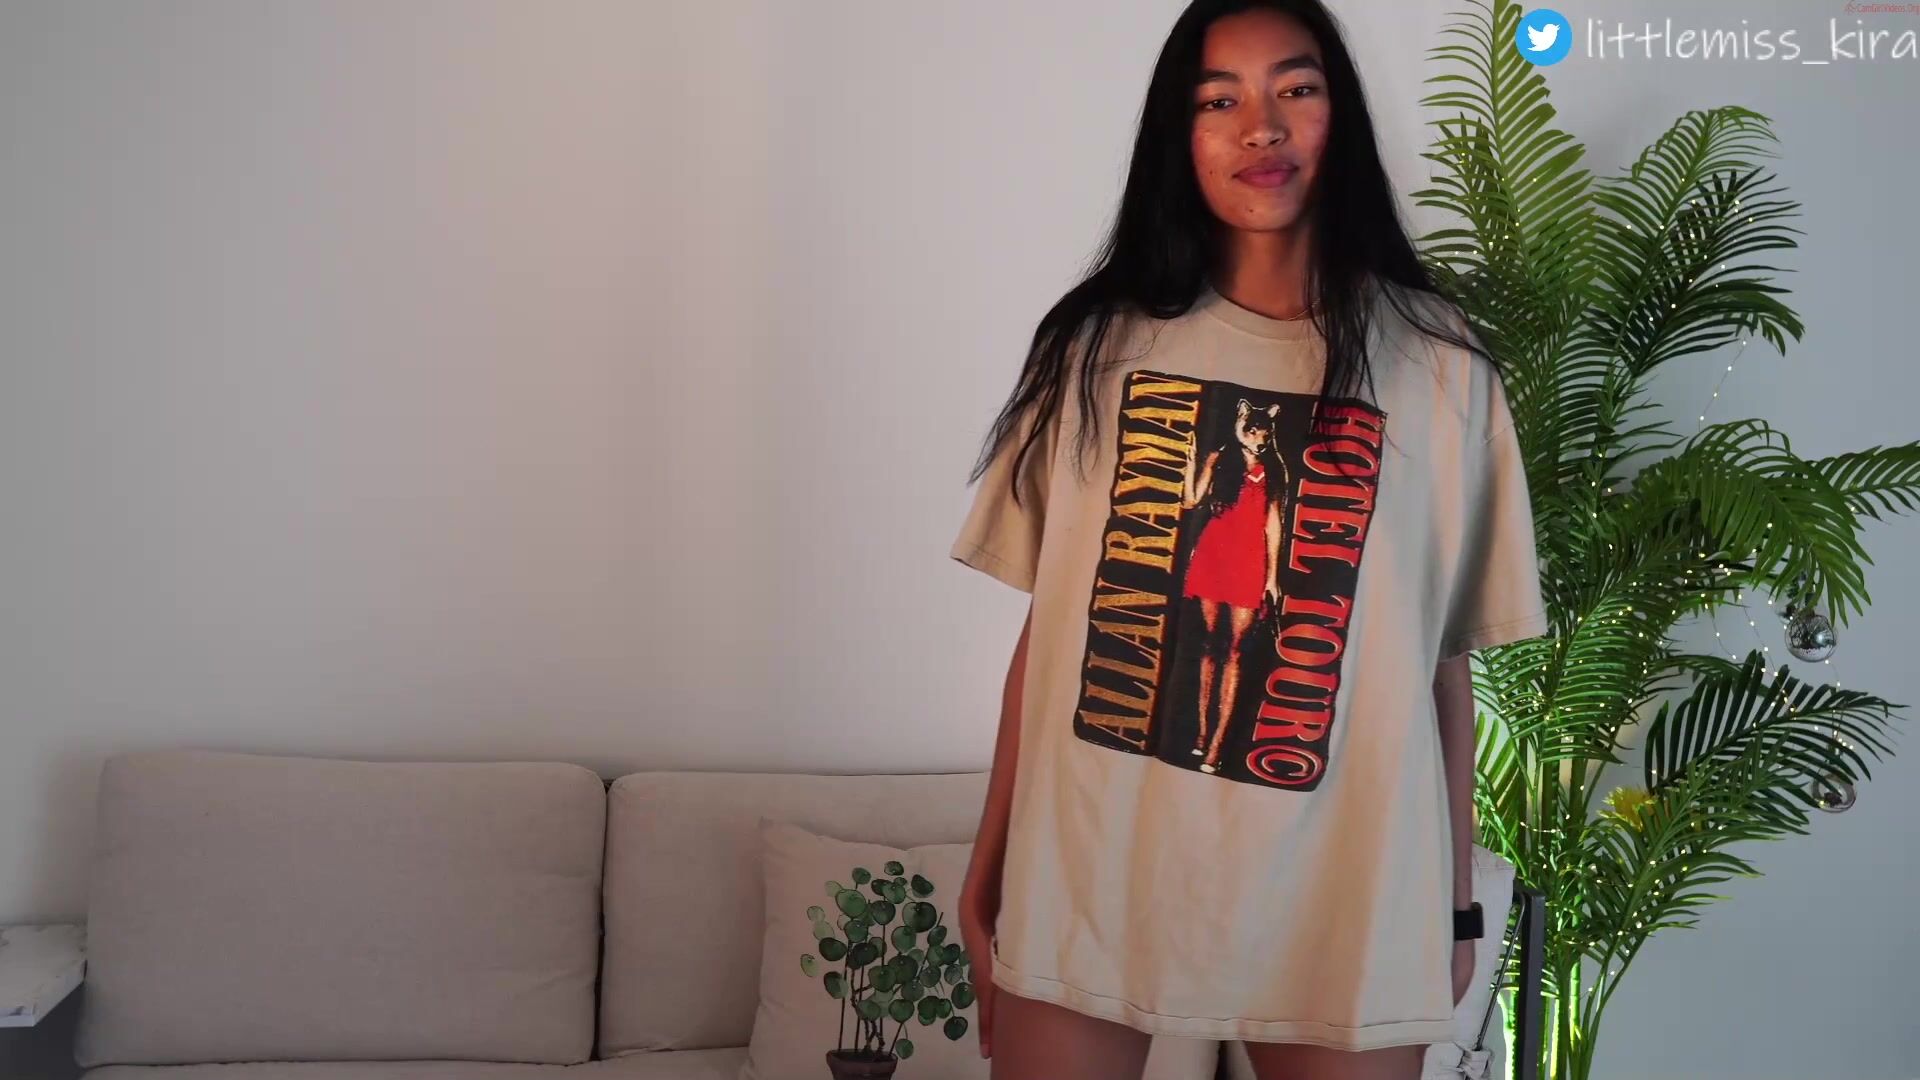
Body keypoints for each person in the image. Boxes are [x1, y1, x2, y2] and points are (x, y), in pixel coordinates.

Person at [945, 3, 1553, 1080]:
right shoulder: (1094, 350)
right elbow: (1054, 630)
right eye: (1217, 100)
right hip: (1096, 875)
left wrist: (1457, 904)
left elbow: (1441, 663)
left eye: (1295, 89)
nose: (1260, 127)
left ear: (1339, 114)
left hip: (1345, 895)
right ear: (1178, 137)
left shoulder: (1442, 366)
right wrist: (990, 862)